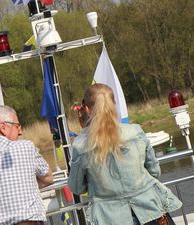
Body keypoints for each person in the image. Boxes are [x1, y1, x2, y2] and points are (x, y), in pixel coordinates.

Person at [68, 84, 181, 225]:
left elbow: (77, 187)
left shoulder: (81, 145)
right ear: (114, 104)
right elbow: (154, 171)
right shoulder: (135, 132)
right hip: (150, 210)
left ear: (86, 109)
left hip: (110, 218)